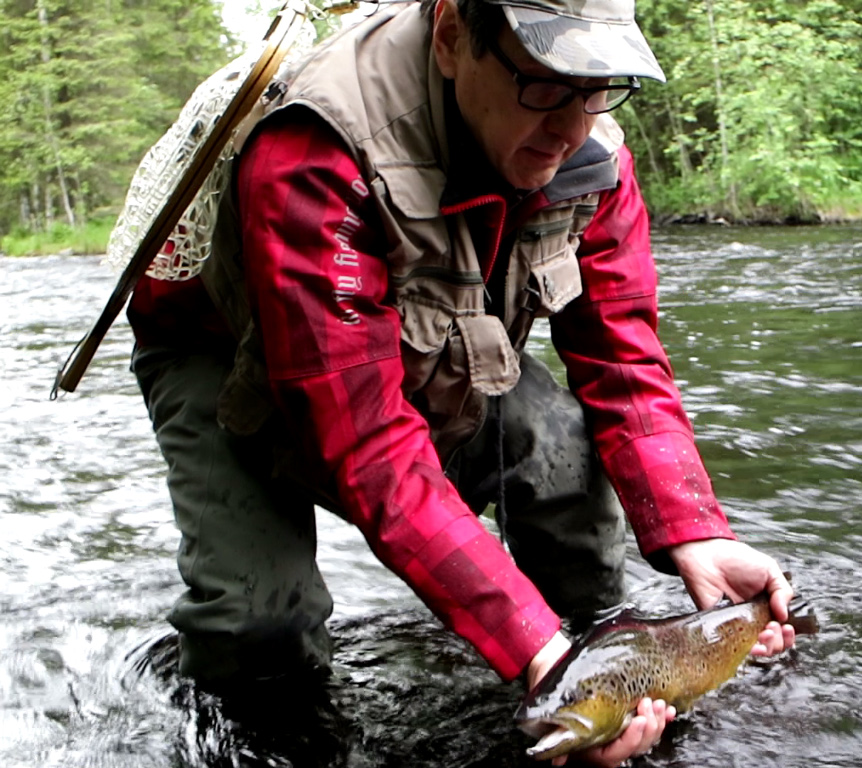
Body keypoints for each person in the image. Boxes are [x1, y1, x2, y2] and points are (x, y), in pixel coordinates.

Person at [126, 0, 798, 764]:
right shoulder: (317, 154)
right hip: (230, 356)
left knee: (568, 468)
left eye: (597, 85)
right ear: (452, 37)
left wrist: (695, 532)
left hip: (440, 338)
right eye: (544, 85)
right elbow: (372, 446)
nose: (572, 125)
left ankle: (587, 672)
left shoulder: (594, 152)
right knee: (256, 630)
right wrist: (535, 651)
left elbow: (624, 357)